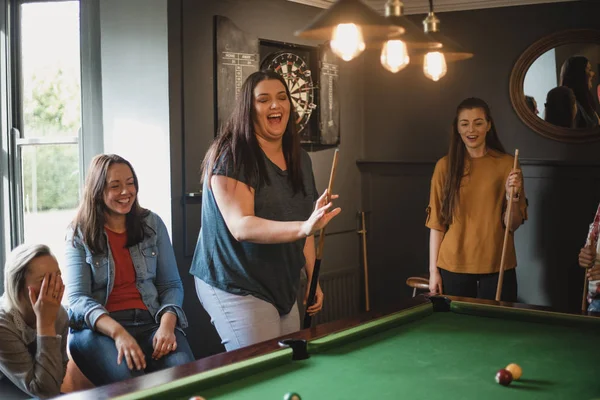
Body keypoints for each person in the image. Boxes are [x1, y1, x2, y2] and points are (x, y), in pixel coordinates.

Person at [190, 70, 341, 351]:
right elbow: (241, 226)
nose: (275, 105)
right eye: (264, 100)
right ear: (249, 109)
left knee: (290, 360)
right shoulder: (231, 154)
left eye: (282, 97)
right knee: (265, 364)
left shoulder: (300, 159)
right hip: (235, 280)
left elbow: (308, 224)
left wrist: (312, 278)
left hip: (280, 282)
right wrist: (305, 227)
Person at [64, 154, 194, 386]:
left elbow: (171, 285)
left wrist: (167, 325)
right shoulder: (79, 232)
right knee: (134, 385)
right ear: (97, 191)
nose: (126, 192)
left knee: (186, 377)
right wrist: (118, 333)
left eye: (130, 183)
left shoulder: (152, 224)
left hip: (151, 320)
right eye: (115, 186)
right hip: (98, 330)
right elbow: (76, 300)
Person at [426, 97, 528, 301]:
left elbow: (513, 224)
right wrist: (433, 272)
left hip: (498, 265)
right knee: (456, 330)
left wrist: (512, 196)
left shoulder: (509, 164)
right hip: (453, 264)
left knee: (499, 329)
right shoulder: (444, 167)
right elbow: (437, 224)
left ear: (488, 125)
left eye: (478, 122)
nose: (471, 129)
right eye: (464, 123)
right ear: (457, 128)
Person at [0, 244, 68, 399]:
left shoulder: (60, 315)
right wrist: (46, 326)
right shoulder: (3, 324)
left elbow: (54, 383)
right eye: (45, 280)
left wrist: (48, 323)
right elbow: (46, 391)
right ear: (18, 287)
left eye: (58, 275)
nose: (55, 285)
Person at [560, 56, 599, 128]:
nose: (592, 74)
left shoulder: (585, 101)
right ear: (578, 74)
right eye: (589, 70)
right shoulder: (570, 104)